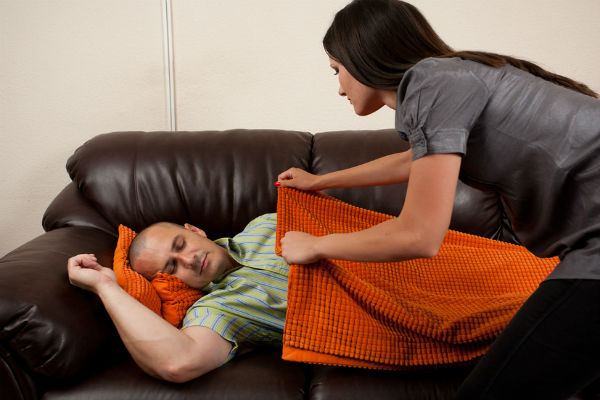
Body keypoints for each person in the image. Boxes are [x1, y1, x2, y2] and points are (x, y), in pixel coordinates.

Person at [276, 0, 600, 398]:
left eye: (336, 69)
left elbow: (419, 235)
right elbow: (413, 160)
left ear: (362, 56)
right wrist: (321, 181)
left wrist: (316, 245)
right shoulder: (453, 77)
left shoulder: (430, 82)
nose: (339, 87)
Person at [67, 213, 288, 383]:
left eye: (181, 245)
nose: (188, 260)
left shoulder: (265, 224)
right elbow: (177, 362)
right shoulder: (216, 309)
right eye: (172, 267)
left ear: (195, 231)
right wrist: (105, 286)